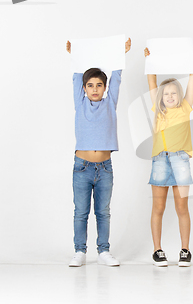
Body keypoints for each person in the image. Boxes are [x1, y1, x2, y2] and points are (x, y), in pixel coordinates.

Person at [67, 38, 131, 267]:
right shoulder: (80, 103)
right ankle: (79, 251)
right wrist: (74, 56)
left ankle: (103, 250)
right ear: (84, 89)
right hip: (82, 167)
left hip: (104, 168)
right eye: (90, 85)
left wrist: (120, 54)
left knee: (103, 212)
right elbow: (76, 76)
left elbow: (117, 77)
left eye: (99, 85)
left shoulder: (110, 102)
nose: (95, 89)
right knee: (81, 212)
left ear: (104, 88)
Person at [145, 46, 193, 267]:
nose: (170, 96)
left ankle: (185, 250)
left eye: (173, 93)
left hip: (180, 161)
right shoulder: (158, 110)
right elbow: (151, 82)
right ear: (161, 97)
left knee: (181, 208)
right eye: (166, 93)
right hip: (160, 160)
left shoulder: (185, 107)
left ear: (179, 96)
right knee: (158, 208)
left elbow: (192, 80)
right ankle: (157, 250)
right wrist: (149, 59)